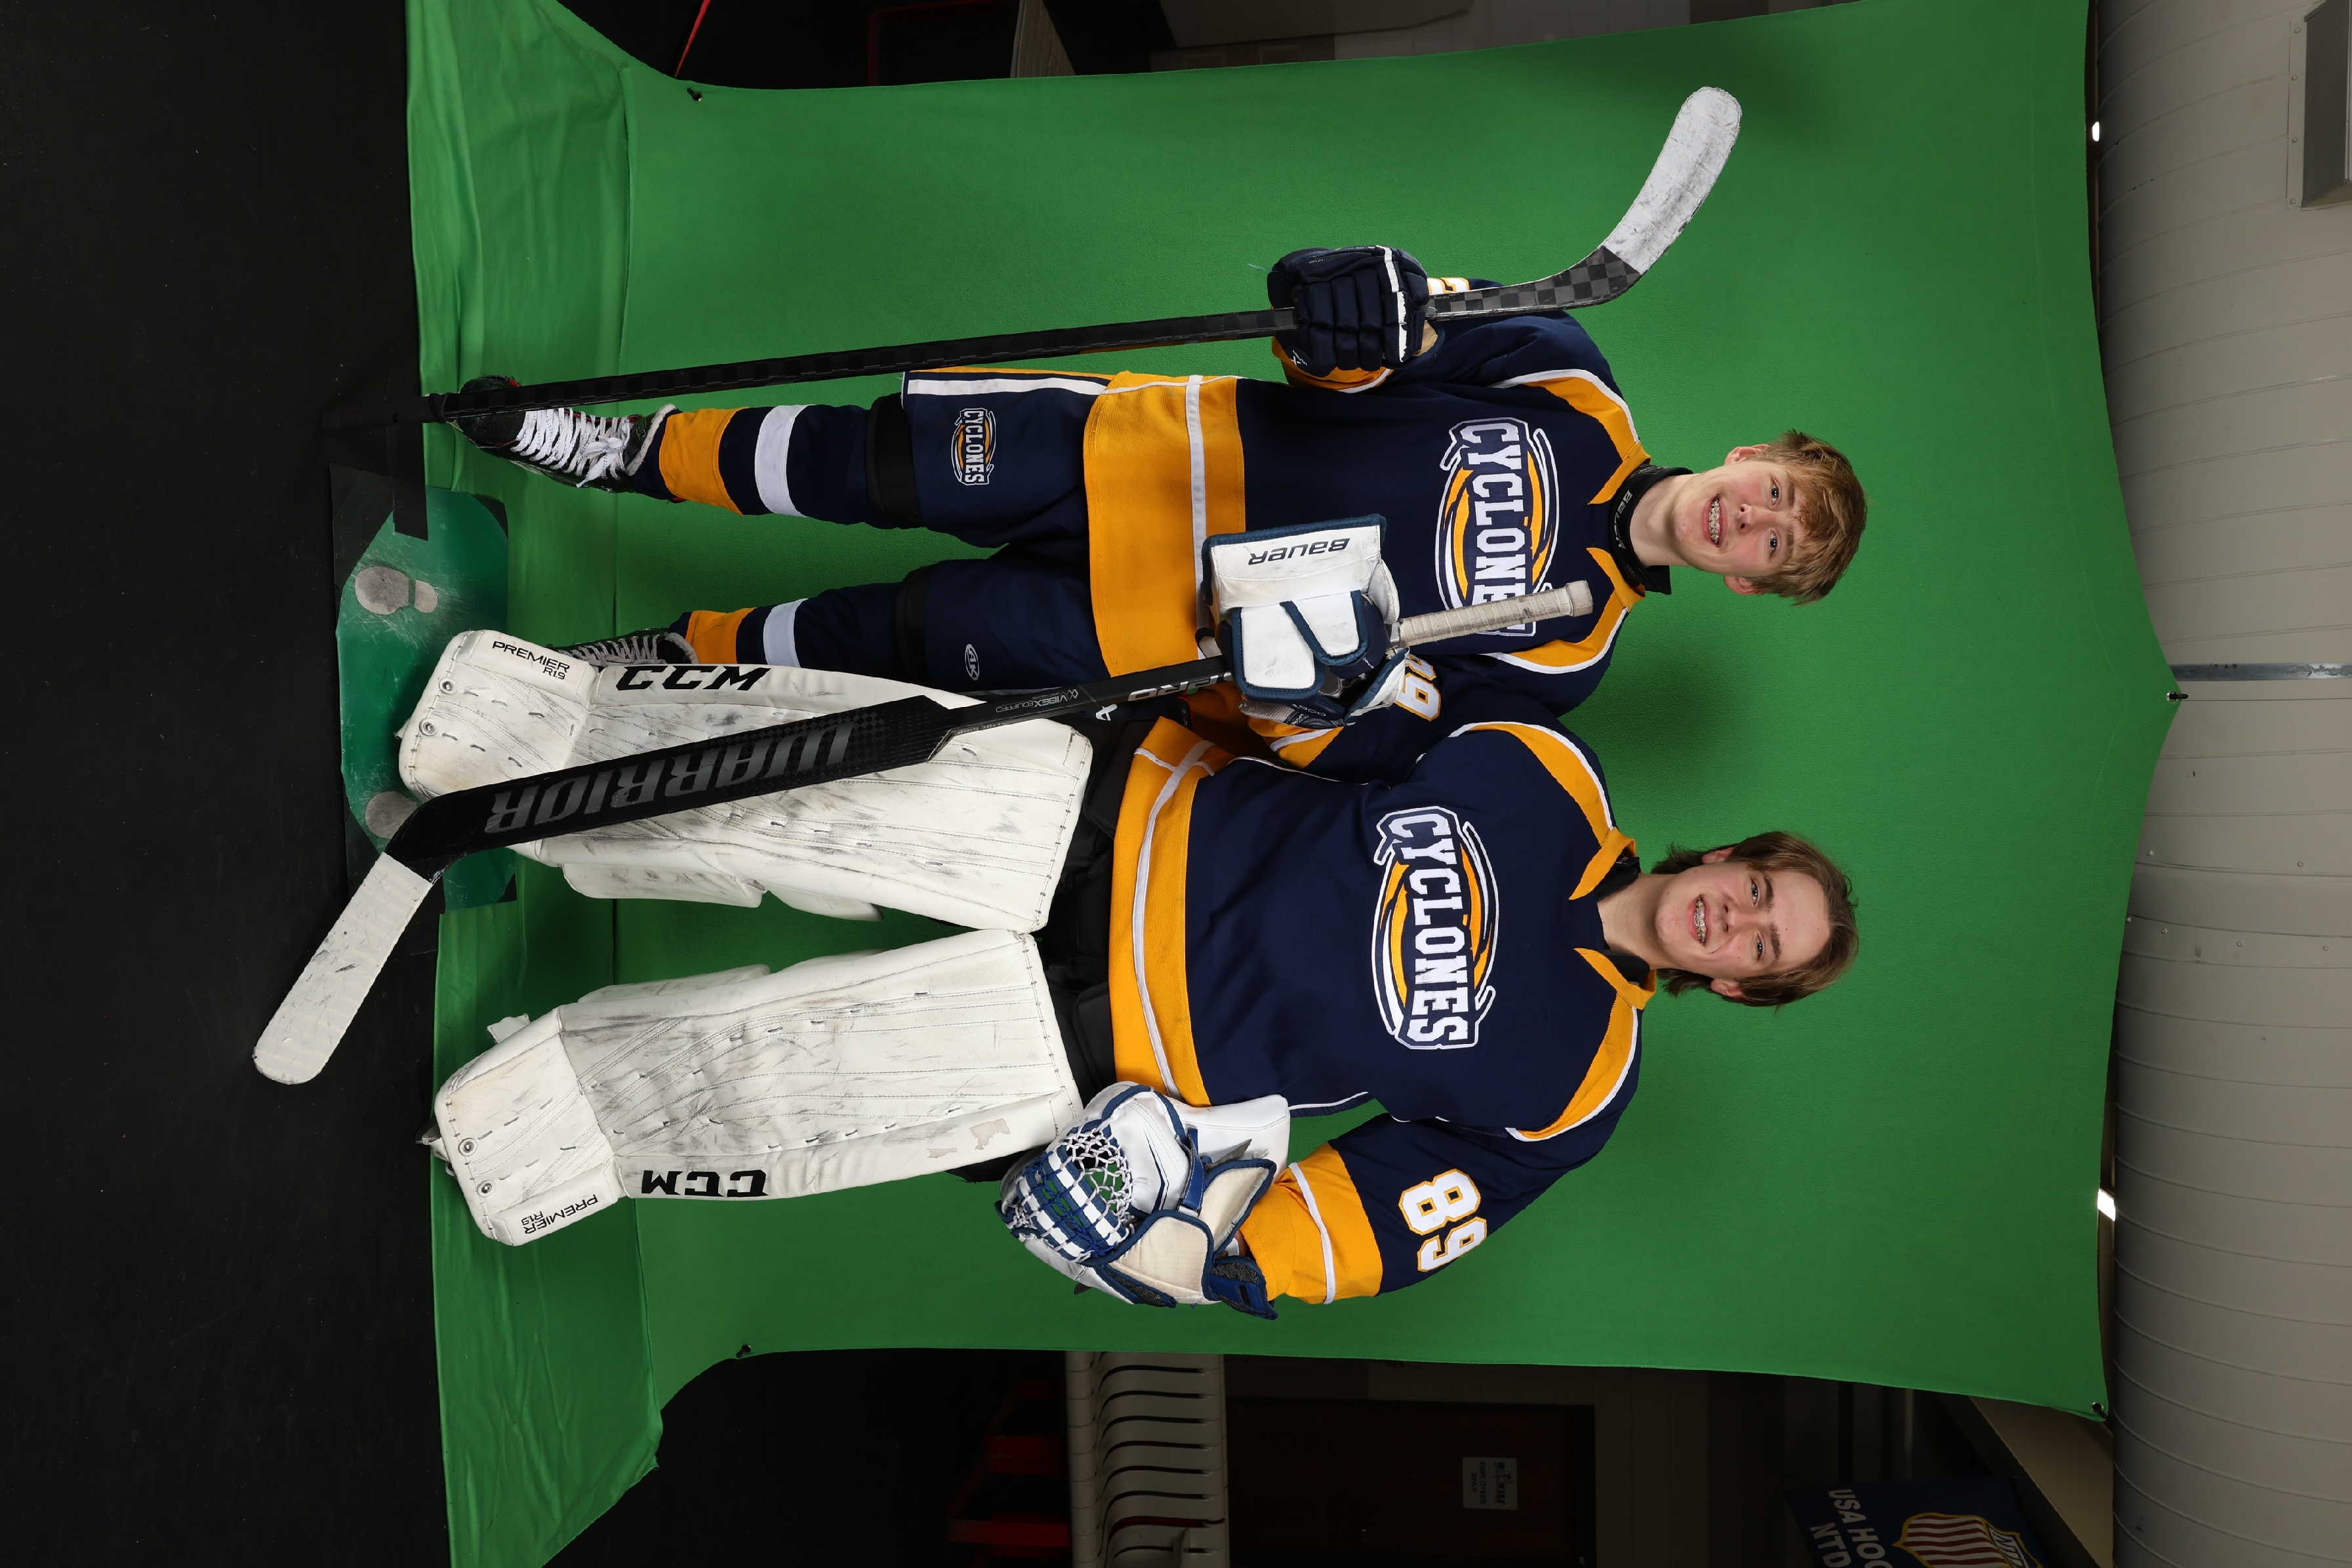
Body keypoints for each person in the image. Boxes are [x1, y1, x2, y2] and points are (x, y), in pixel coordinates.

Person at [416, 608, 1859, 1316]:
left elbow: (1377, 1220)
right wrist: (1301, 673)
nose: (1735, 920)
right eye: (1755, 891)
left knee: (782, 1086)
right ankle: (546, 745)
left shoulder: (1577, 1086)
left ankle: (554, 1127)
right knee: (795, 783)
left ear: (1739, 988)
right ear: (1730, 854)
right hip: (1109, 816)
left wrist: (1188, 1253)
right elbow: (1341, 730)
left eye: (1762, 945)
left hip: (1106, 1048)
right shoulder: (1545, 770)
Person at [453, 245, 1867, 769]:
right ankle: (611, 451)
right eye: (1774, 495)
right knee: (855, 462)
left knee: (868, 641)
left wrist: (1338, 706)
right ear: (1750, 453)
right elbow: (1380, 327)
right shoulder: (1570, 380)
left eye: (1775, 545)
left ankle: (648, 659)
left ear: (1747, 583)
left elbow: (1382, 738)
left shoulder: (1566, 656)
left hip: (1140, 628)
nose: (1752, 521)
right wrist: (1353, 299)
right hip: (1139, 453)